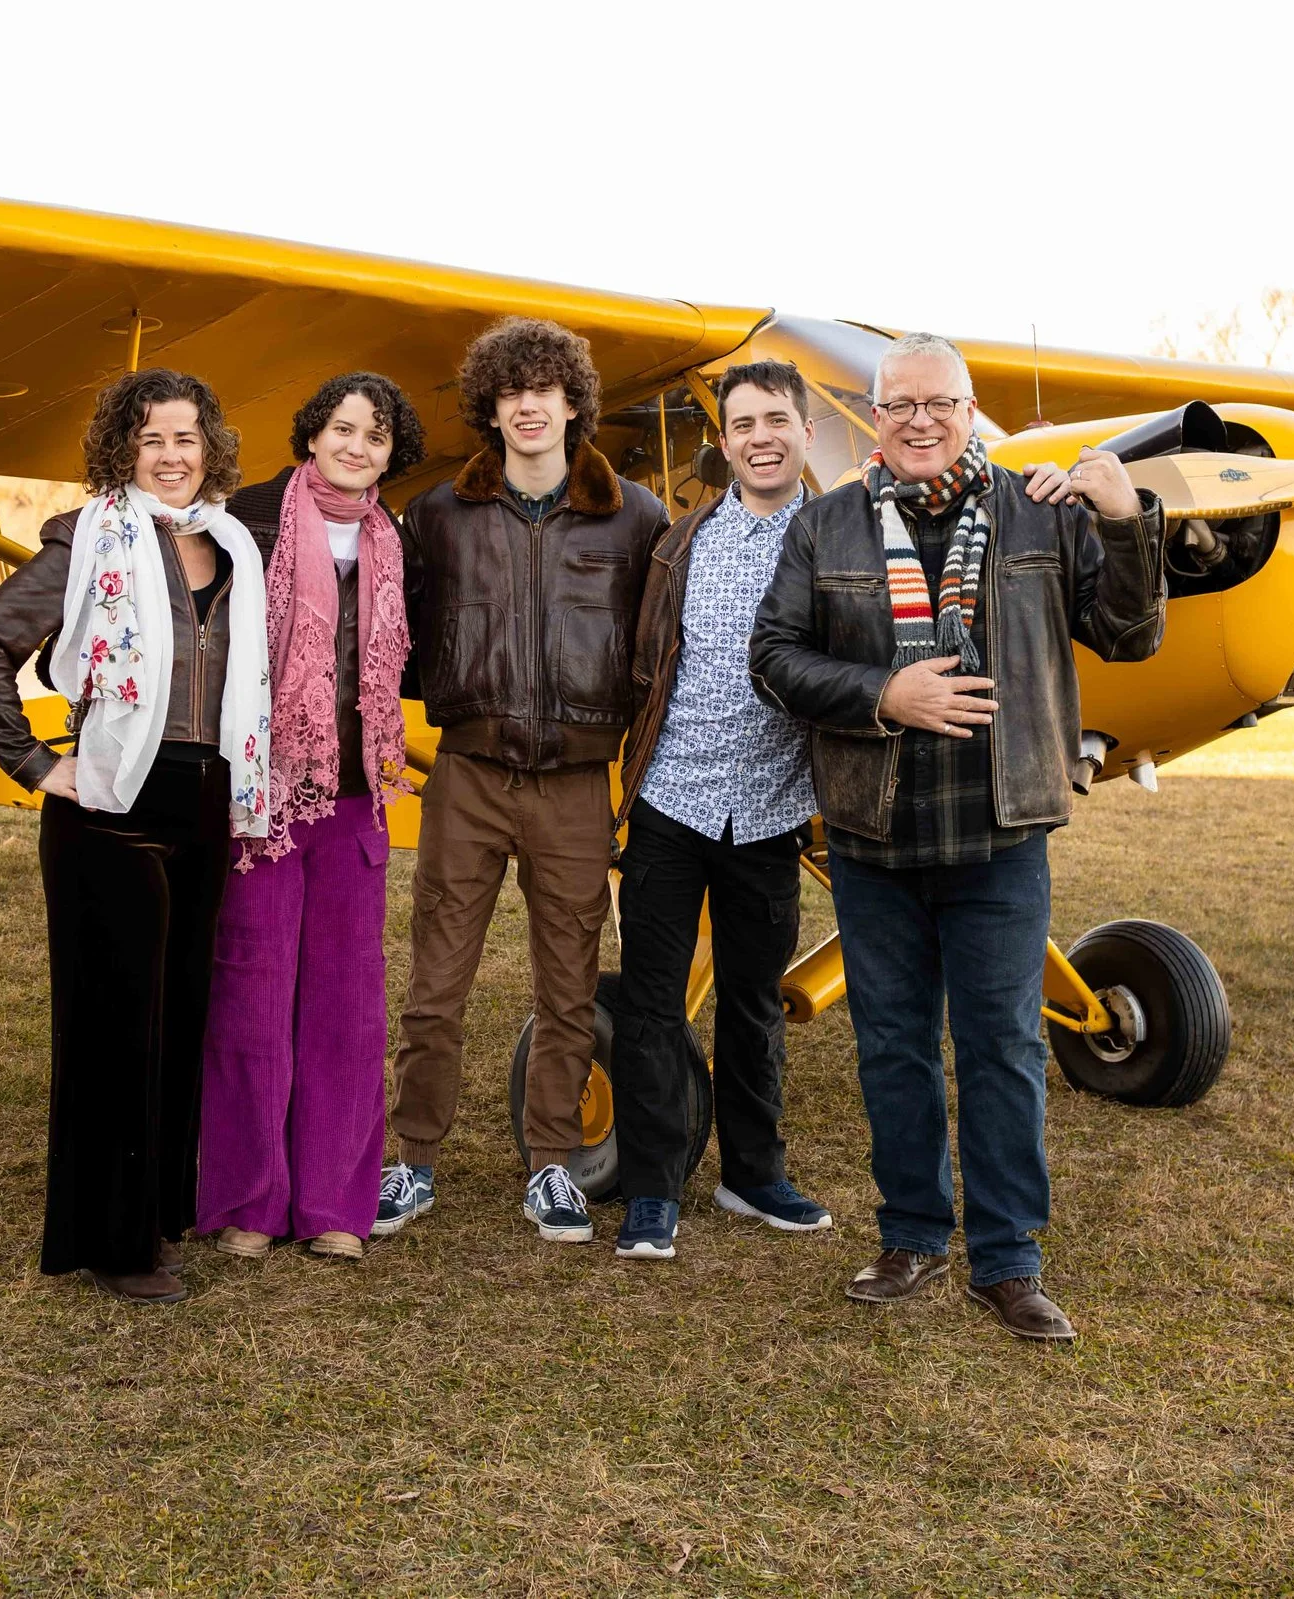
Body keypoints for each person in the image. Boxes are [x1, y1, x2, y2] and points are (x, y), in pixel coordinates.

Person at [750, 332, 1164, 1341]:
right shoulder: (825, 526)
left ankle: (1008, 1259)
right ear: (876, 420)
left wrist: (1123, 518)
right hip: (873, 829)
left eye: (940, 402)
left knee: (1003, 1046)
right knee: (891, 1045)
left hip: (1001, 828)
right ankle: (910, 1234)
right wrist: (882, 692)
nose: (920, 421)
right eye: (899, 406)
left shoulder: (1040, 512)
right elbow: (773, 655)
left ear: (970, 409)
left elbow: (1130, 631)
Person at [0, 368, 270, 1304]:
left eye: (186, 438)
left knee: (177, 1021)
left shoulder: (231, 545)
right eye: (151, 441)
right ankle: (111, 1241)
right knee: (114, 1030)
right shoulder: (91, 539)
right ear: (121, 452)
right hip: (110, 810)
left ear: (209, 446)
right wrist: (35, 763)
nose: (172, 457)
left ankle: (157, 1213)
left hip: (207, 800)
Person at [377, 317, 668, 1243]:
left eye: (546, 389)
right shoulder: (436, 515)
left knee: (567, 985)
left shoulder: (637, 515)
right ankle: (411, 1157)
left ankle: (552, 1163)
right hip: (468, 771)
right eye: (511, 392)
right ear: (490, 407)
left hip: (579, 779)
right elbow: (405, 643)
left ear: (574, 401)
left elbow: (657, 649)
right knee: (436, 981)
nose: (530, 405)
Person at [193, 373, 423, 1262]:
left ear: (390, 452)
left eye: (375, 434)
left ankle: (334, 1204)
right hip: (266, 789)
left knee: (348, 1003)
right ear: (312, 435)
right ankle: (248, 1201)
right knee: (251, 992)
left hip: (358, 790)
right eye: (342, 428)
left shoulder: (394, 539)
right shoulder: (246, 520)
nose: (356, 445)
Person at [608, 360, 830, 1261]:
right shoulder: (680, 540)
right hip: (672, 796)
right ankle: (653, 1188)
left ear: (806, 432)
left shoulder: (837, 538)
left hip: (772, 809)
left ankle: (752, 1171)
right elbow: (645, 660)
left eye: (776, 420)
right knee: (654, 1002)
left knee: (752, 999)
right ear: (725, 440)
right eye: (742, 424)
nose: (759, 437)